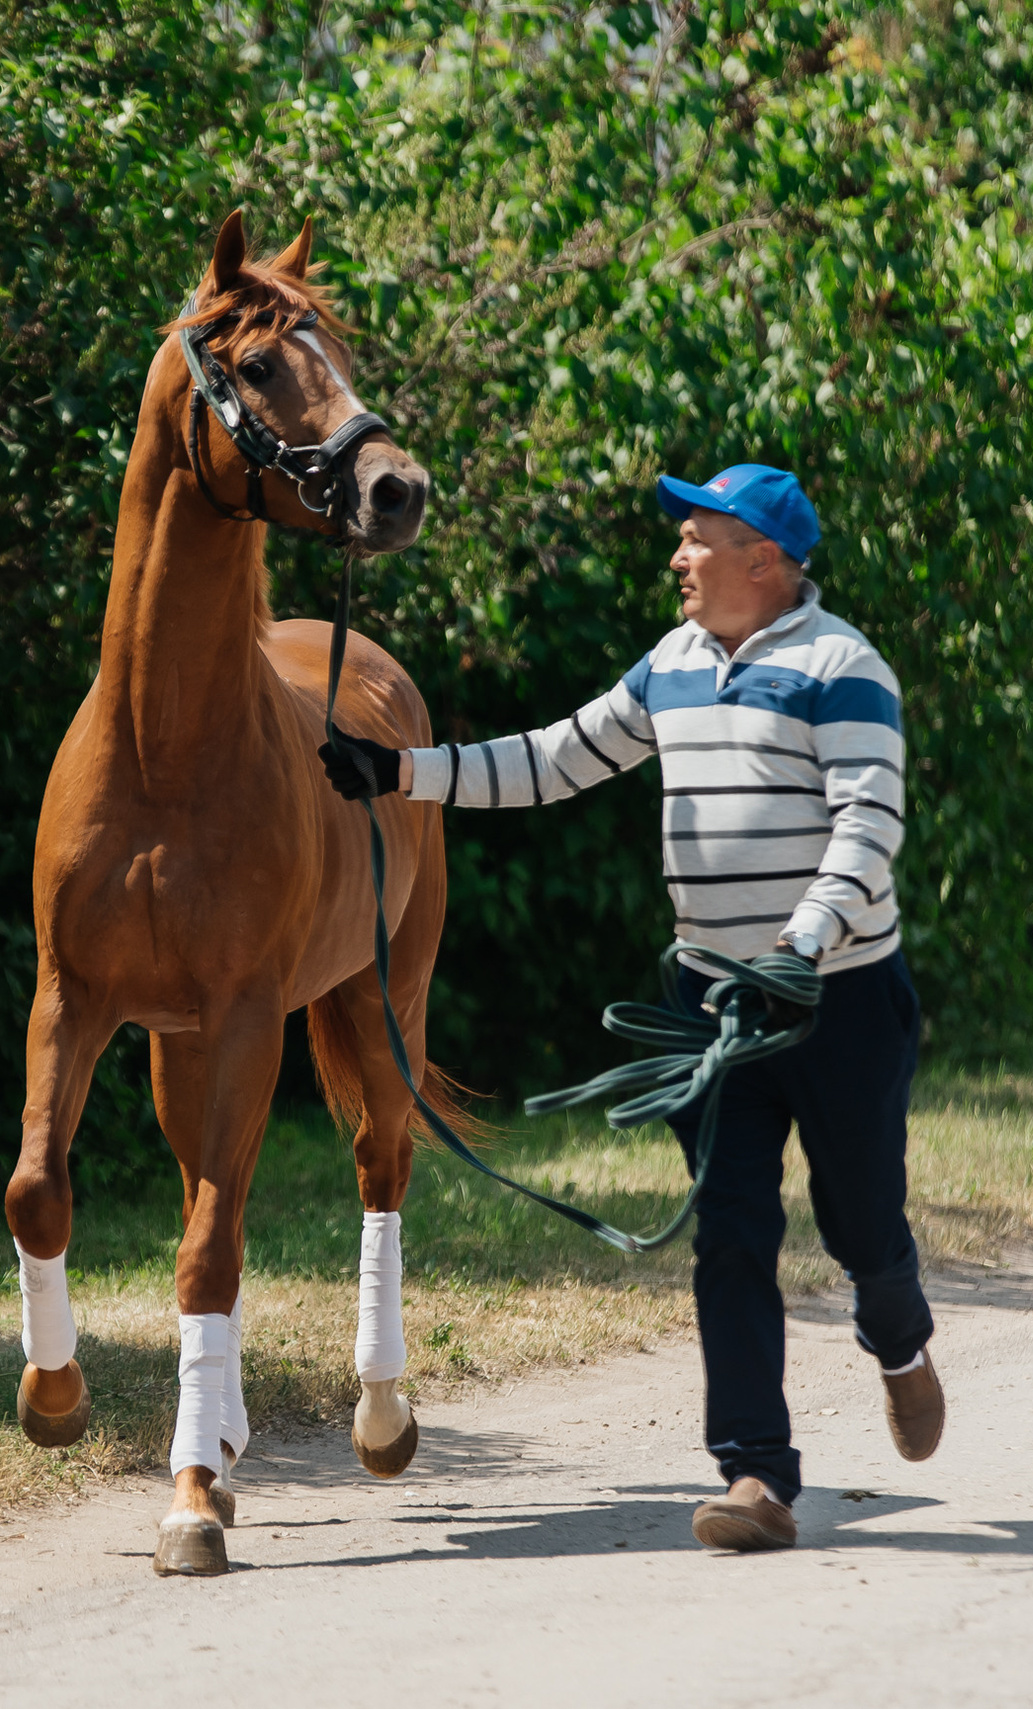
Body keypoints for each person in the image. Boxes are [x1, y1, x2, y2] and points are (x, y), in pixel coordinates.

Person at [318, 464, 942, 1553]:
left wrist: (799, 945)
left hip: (835, 998)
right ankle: (756, 1474)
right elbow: (557, 758)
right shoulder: (672, 666)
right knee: (730, 1231)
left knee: (863, 1225)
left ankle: (897, 1339)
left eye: (695, 538)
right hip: (710, 1004)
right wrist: (397, 770)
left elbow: (866, 825)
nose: (676, 558)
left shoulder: (842, 668)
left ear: (764, 558)